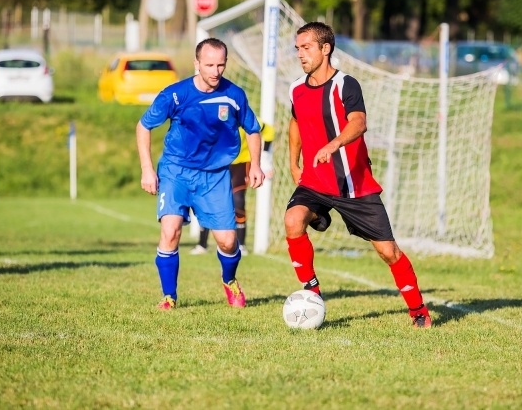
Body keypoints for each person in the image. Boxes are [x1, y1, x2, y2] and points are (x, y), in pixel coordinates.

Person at [284, 22, 433, 329]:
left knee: (388, 252)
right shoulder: (296, 88)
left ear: (325, 49)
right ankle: (312, 293)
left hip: (354, 184)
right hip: (314, 180)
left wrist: (333, 144)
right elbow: (296, 123)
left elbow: (359, 123)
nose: (300, 54)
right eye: (297, 48)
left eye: (306, 47)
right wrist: (293, 162)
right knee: (292, 221)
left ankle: (418, 310)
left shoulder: (345, 85)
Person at [136, 37, 264, 310]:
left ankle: (229, 280)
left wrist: (255, 164)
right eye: (209, 65)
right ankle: (169, 296)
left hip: (215, 175)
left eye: (220, 65)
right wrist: (147, 169)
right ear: (196, 63)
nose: (215, 71)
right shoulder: (175, 94)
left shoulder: (234, 95)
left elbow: (253, 129)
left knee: (229, 242)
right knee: (170, 230)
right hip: (176, 171)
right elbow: (143, 126)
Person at [190, 119, 275, 256]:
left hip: (240, 164)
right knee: (209, 200)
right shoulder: (212, 115)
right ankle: (202, 244)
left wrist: (264, 158)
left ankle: (241, 245)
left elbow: (269, 131)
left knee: (238, 200)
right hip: (217, 164)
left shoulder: (247, 117)